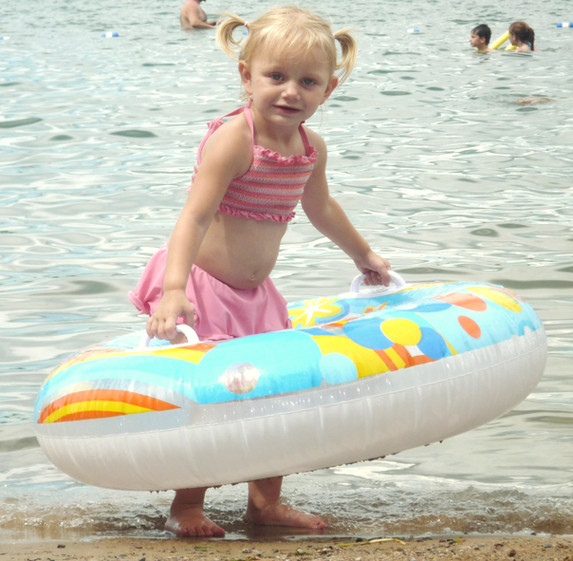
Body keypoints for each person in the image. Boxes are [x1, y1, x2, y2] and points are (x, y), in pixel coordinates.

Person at [129, 5, 392, 538]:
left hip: (256, 297)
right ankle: (186, 504)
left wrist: (363, 255)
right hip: (204, 290)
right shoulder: (235, 138)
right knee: (210, 400)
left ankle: (265, 504)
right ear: (246, 76)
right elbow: (194, 216)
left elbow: (322, 208)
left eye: (308, 81)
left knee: (273, 398)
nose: (291, 91)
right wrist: (174, 289)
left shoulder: (311, 148)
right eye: (276, 76)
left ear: (329, 89)